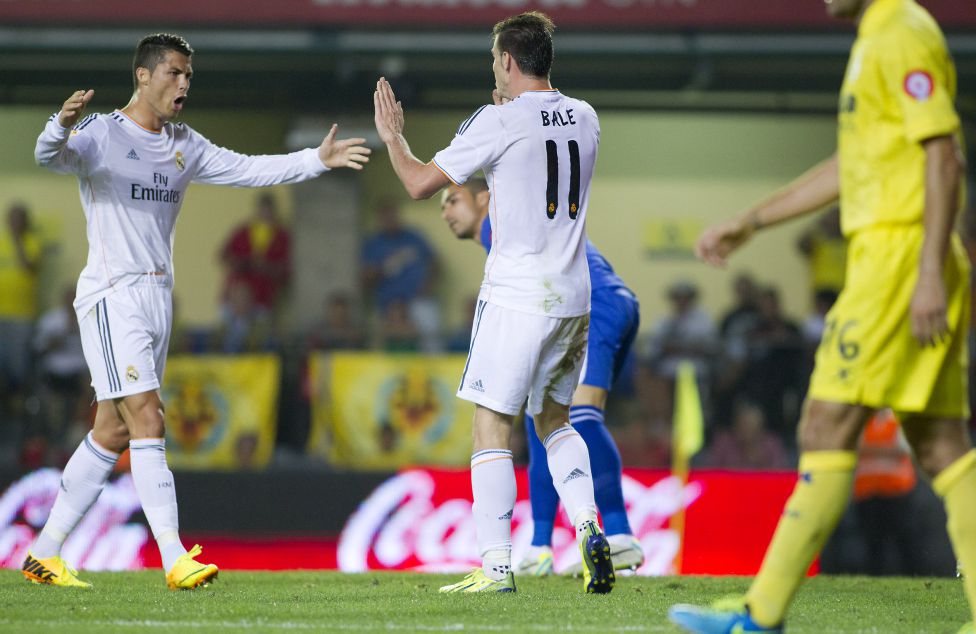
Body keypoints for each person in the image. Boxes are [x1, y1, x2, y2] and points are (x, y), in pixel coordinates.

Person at [669, 1, 975, 632]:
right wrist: (752, 221)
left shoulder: (901, 32)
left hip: (897, 257)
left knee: (825, 421)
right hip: (899, 255)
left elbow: (944, 156)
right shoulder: (878, 37)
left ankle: (762, 613)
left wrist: (925, 273)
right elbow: (852, 166)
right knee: (942, 444)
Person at [25, 33, 370, 590]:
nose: (184, 83)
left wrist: (316, 159)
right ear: (143, 75)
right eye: (174, 73)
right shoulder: (103, 133)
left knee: (112, 430)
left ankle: (43, 554)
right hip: (114, 293)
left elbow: (249, 169)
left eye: (188, 75)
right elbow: (50, 157)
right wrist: (58, 125)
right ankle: (174, 556)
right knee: (148, 417)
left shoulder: (184, 144)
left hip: (158, 298)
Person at [373, 11, 614, 594]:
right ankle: (589, 525)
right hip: (573, 294)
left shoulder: (499, 119)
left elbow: (418, 183)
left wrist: (393, 138)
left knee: (491, 425)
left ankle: (497, 566)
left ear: (507, 60)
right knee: (554, 420)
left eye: (494, 61)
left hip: (517, 294)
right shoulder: (586, 116)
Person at [440, 177, 645, 576]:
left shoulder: (500, 222)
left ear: (484, 197)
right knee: (546, 420)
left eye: (453, 200)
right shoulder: (506, 227)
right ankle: (539, 546)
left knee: (580, 416)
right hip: (605, 301)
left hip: (592, 304)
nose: (446, 211)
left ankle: (620, 534)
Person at [218, 192, 291, 318]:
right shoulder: (243, 231)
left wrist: (265, 266)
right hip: (235, 297)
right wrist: (243, 263)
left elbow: (286, 269)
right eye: (263, 211)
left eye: (268, 211)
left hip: (263, 297)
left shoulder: (281, 236)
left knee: (259, 328)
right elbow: (223, 256)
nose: (265, 215)